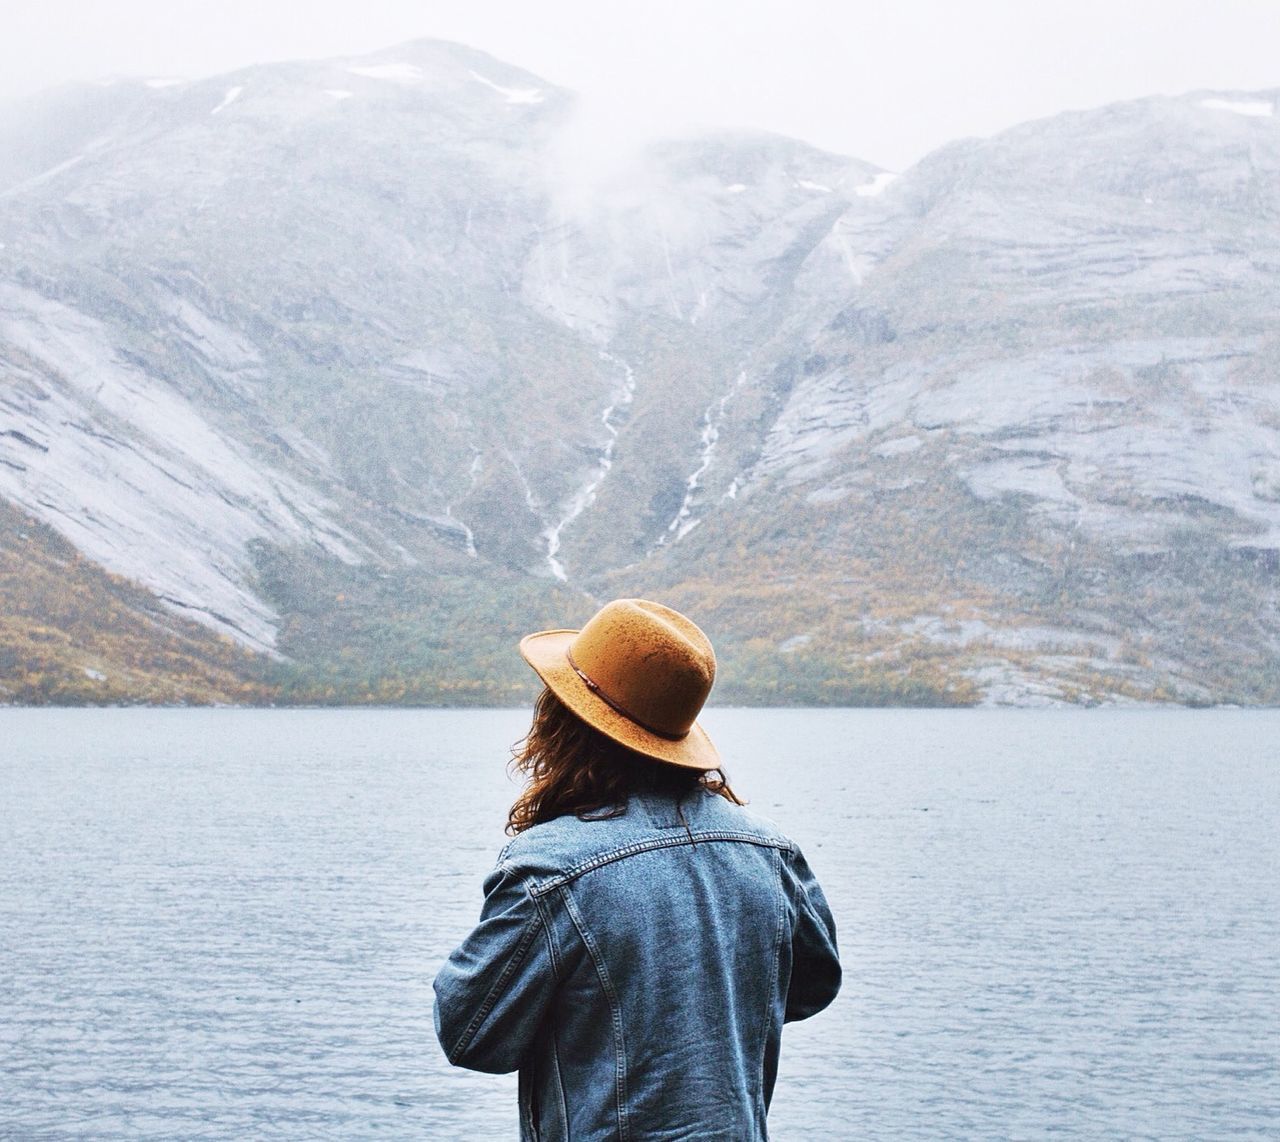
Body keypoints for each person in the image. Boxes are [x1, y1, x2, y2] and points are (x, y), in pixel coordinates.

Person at [433, 598, 841, 1141]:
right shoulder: (770, 852)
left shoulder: (554, 871)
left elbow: (471, 1034)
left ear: (562, 725)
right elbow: (812, 985)